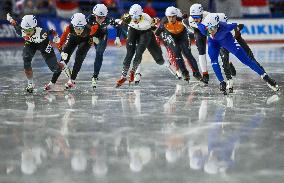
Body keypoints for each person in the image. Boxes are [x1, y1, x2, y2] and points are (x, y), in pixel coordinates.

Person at [198, 13, 279, 94]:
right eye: (209, 29)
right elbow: (192, 23)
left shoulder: (226, 26)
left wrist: (236, 33)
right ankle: (222, 81)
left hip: (227, 40)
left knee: (246, 60)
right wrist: (221, 81)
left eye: (214, 28)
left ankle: (265, 77)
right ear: (206, 27)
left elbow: (236, 25)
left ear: (218, 25)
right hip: (213, 42)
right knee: (214, 60)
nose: (212, 32)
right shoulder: (202, 27)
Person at [7, 13, 62, 93]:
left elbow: (53, 32)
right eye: (25, 30)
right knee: (26, 60)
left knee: (54, 68)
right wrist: (9, 18)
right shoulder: (21, 31)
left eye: (29, 30)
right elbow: (14, 23)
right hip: (30, 44)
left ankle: (62, 66)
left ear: (35, 27)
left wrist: (56, 38)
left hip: (43, 44)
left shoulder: (42, 33)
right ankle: (30, 84)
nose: (27, 32)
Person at [45, 13, 99, 90]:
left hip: (86, 40)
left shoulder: (91, 29)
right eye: (76, 28)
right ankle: (52, 82)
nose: (78, 30)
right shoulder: (69, 28)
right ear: (73, 26)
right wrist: (62, 52)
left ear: (84, 25)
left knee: (79, 57)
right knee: (63, 61)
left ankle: (72, 80)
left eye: (81, 28)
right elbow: (61, 43)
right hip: (73, 39)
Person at [155, 6, 203, 82]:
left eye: (173, 17)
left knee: (187, 53)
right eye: (169, 17)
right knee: (176, 52)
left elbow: (194, 27)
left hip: (182, 35)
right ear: (166, 17)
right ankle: (184, 72)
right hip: (171, 36)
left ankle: (197, 73)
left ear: (176, 16)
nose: (171, 19)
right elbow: (156, 34)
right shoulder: (163, 22)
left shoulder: (182, 20)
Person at [115, 4, 158, 87]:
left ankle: (134, 72)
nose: (134, 19)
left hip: (143, 34)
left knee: (138, 53)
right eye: (133, 17)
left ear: (141, 15)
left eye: (137, 17)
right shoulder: (127, 17)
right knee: (129, 54)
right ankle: (123, 76)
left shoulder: (147, 18)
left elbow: (154, 29)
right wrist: (117, 38)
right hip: (132, 33)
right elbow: (119, 25)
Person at [87, 4, 122, 89]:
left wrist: (117, 38)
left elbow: (119, 27)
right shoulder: (89, 19)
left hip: (103, 36)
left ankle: (95, 77)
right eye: (99, 17)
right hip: (92, 35)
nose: (101, 19)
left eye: (103, 17)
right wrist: (91, 37)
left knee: (99, 53)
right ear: (94, 15)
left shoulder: (108, 19)